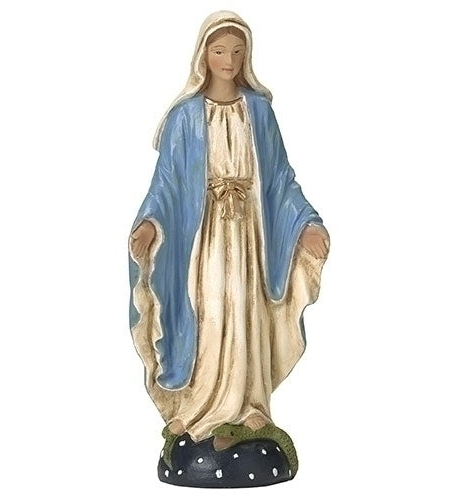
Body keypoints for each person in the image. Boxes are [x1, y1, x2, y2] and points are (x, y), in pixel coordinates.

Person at [128, 10, 330, 450]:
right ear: (203, 55)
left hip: (249, 235)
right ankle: (196, 406)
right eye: (219, 51)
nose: (229, 60)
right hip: (202, 239)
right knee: (209, 308)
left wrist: (305, 223)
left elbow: (280, 178)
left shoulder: (259, 111)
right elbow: (166, 182)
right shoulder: (185, 116)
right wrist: (150, 222)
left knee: (243, 307)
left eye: (237, 52)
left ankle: (250, 405)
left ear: (247, 56)